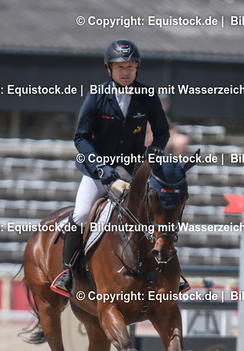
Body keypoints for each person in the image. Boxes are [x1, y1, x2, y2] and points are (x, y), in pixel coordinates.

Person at [51, 39, 170, 297]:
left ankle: (170, 273)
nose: (125, 72)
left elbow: (162, 133)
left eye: (130, 66)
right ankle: (68, 272)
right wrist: (102, 169)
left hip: (134, 171)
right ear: (109, 69)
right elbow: (81, 138)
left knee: (159, 213)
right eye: (120, 67)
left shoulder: (147, 97)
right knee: (81, 214)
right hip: (99, 172)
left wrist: (151, 158)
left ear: (137, 68)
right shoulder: (96, 96)